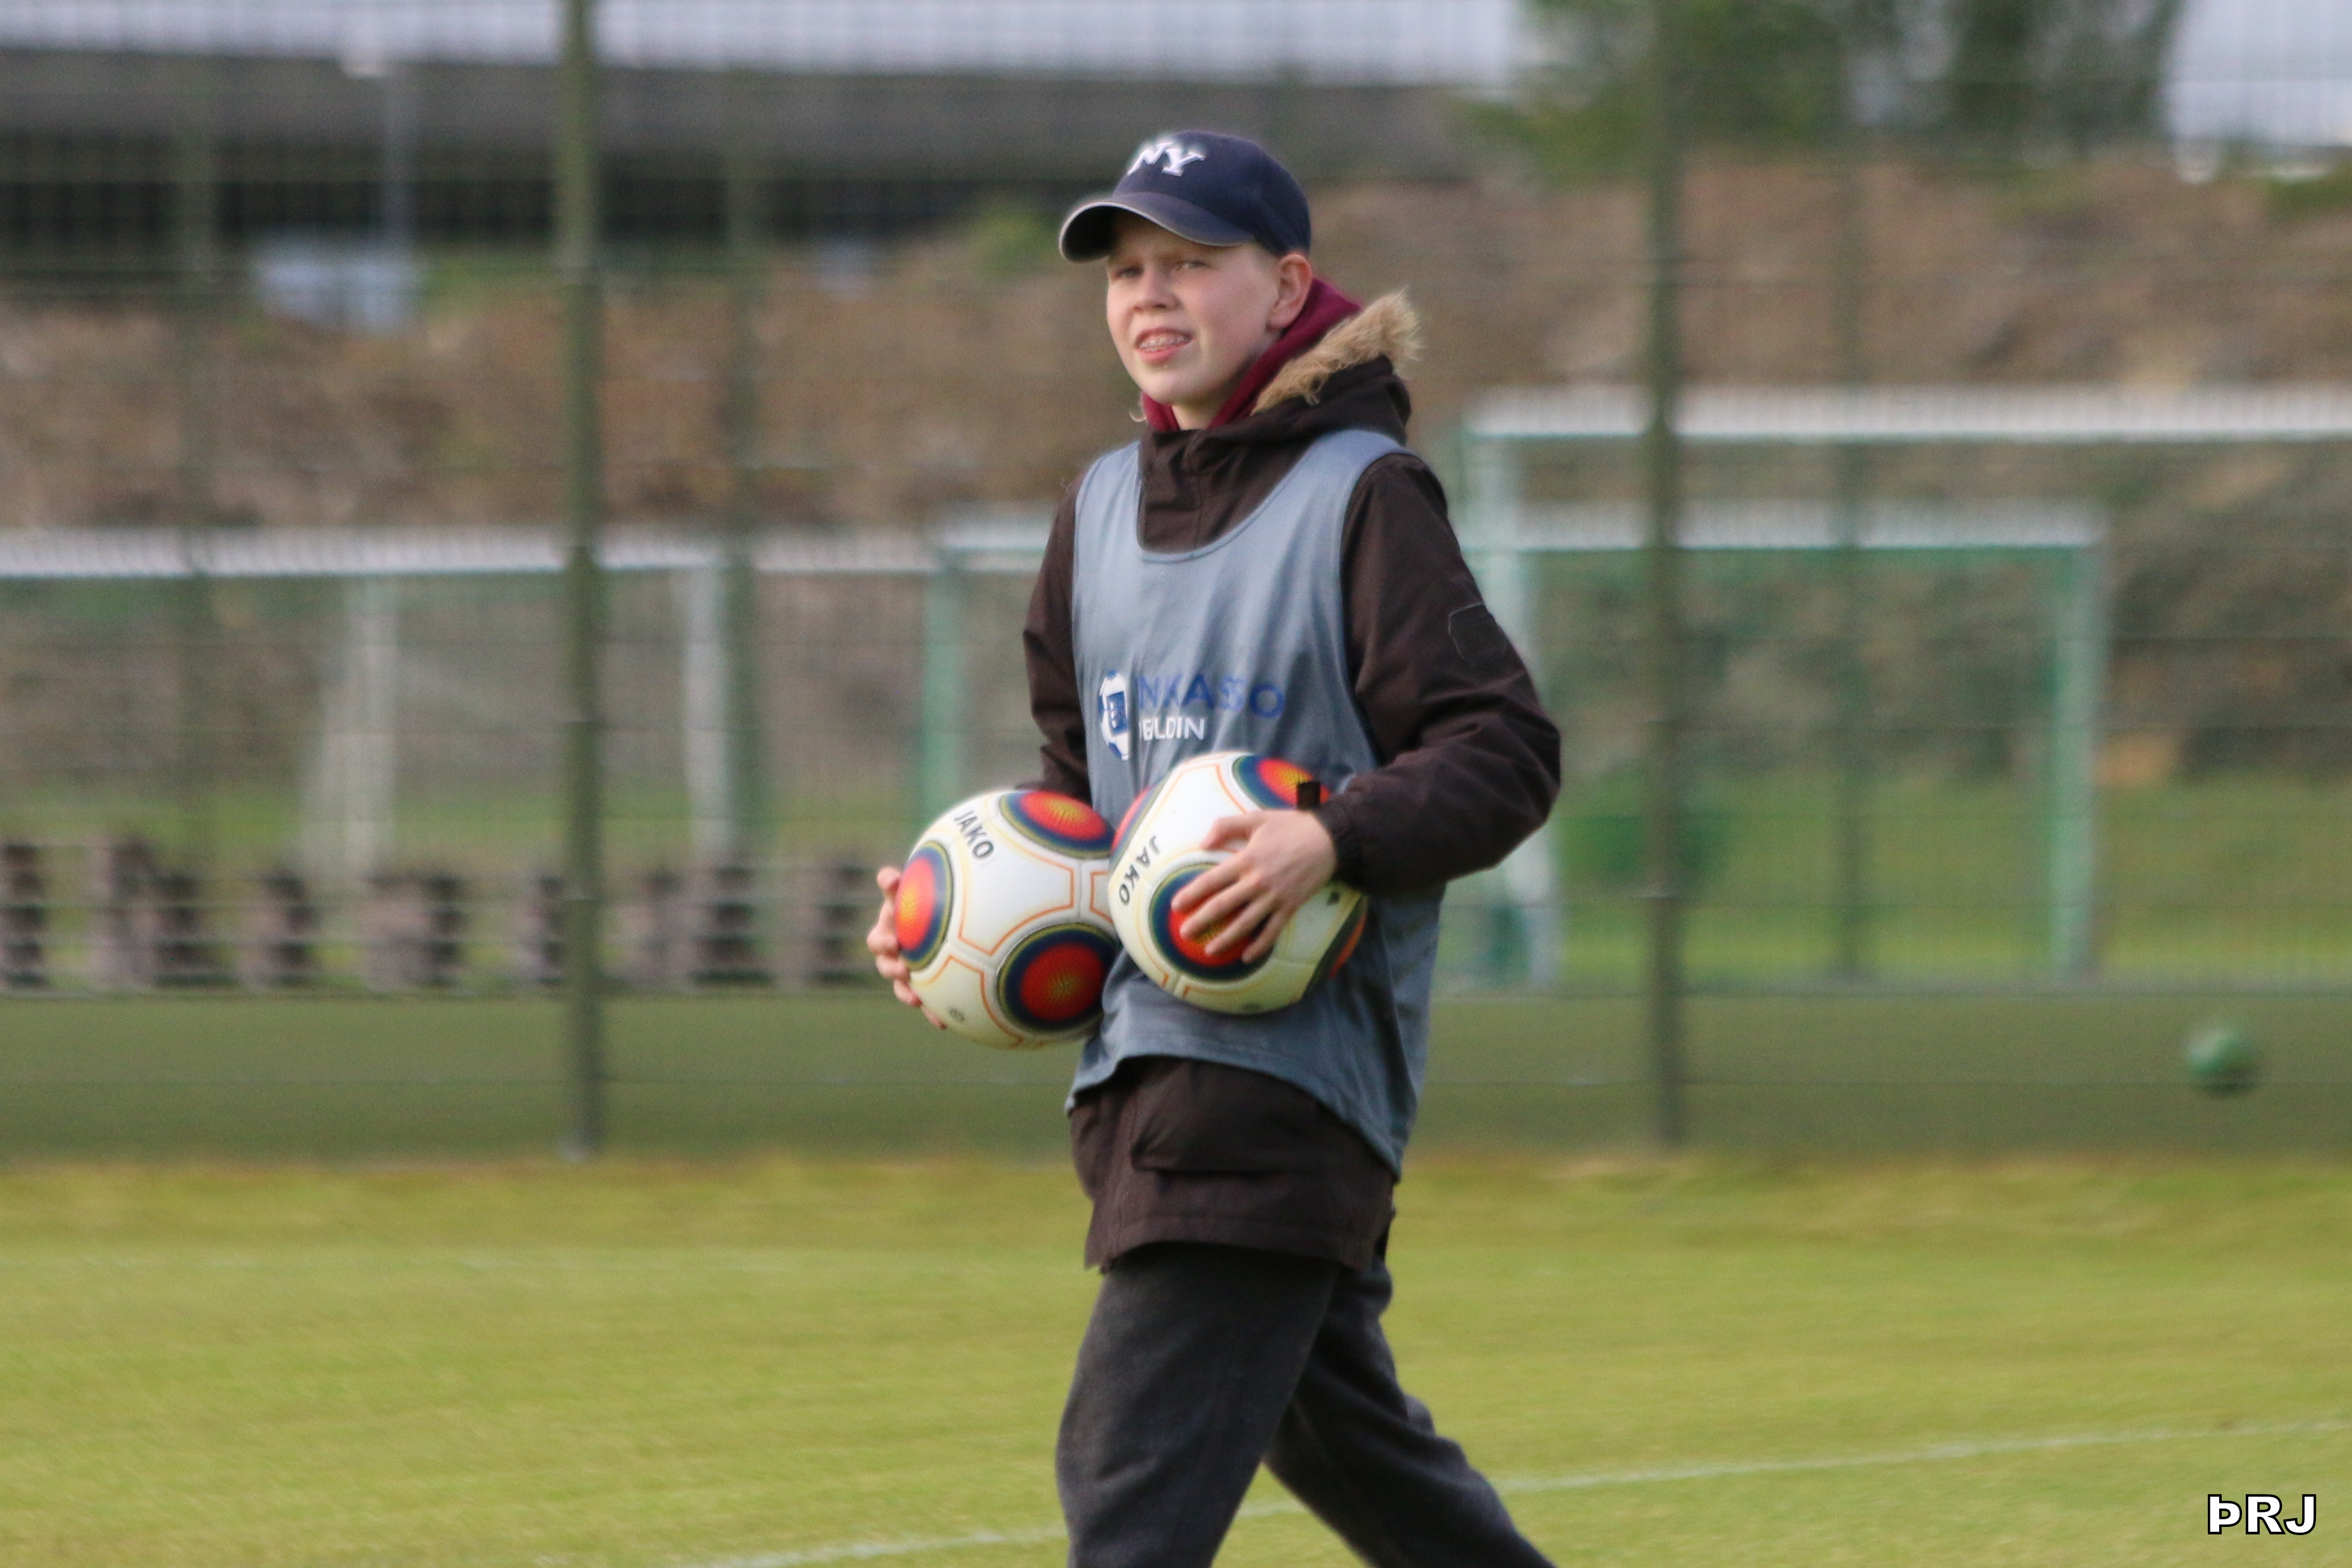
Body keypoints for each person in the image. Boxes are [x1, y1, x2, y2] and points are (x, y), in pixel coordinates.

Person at [868, 131, 1561, 1568]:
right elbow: (1083, 805)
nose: (1151, 293)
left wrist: (1330, 836)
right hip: (1138, 1077)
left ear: (1288, 285)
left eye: (1191, 261)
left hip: (1283, 1086)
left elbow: (1503, 752)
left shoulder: (1366, 495)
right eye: (1127, 269)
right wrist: (959, 917)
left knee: (1127, 1480)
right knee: (1338, 1436)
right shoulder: (1097, 513)